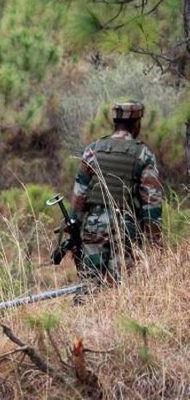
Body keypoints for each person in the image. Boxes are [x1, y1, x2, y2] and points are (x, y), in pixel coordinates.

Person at [70, 100, 163, 301]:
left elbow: (79, 194)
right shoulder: (143, 154)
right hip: (125, 229)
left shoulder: (93, 149)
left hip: (93, 227)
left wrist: (74, 225)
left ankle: (82, 316)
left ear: (114, 122)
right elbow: (152, 203)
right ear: (136, 124)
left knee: (89, 285)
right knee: (120, 289)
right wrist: (154, 240)